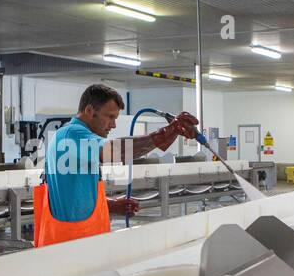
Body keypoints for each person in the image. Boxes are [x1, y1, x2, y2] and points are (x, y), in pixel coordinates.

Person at [34, 84, 199, 247]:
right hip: (68, 245)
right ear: (89, 110)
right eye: (110, 117)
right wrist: (166, 133)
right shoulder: (72, 134)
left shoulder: (77, 141)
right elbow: (114, 151)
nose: (113, 125)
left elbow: (73, 195)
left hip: (84, 241)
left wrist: (110, 205)